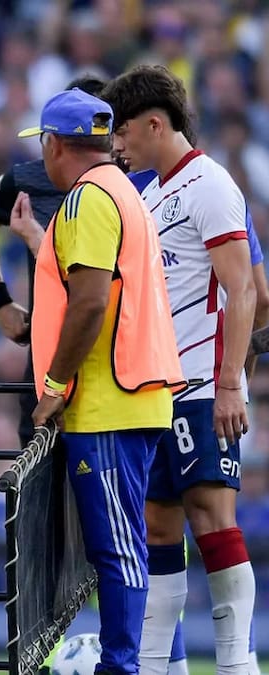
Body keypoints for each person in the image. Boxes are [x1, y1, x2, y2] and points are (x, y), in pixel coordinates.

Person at [20, 88, 183, 675]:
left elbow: (89, 302)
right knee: (121, 544)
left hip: (109, 399)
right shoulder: (121, 190)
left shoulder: (88, 198)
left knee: (118, 549)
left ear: (54, 144)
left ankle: (121, 667)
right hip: (133, 392)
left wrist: (54, 386)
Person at [102, 65, 256, 675]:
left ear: (154, 124)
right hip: (156, 391)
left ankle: (237, 665)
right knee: (158, 528)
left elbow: (243, 290)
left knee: (212, 518)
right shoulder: (149, 195)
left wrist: (229, 385)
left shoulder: (209, 184)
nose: (117, 145)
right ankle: (156, 666)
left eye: (122, 131)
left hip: (202, 386)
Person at [0, 75, 107, 447]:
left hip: (110, 370)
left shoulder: (127, 183)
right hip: (45, 364)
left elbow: (91, 291)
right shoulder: (30, 178)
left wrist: (37, 241)